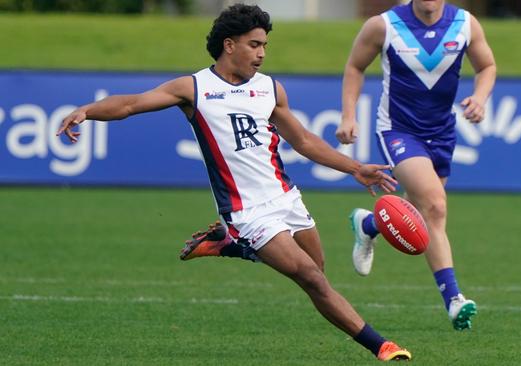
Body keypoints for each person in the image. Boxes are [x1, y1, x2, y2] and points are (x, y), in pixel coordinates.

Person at [57, 4, 412, 361]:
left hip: (285, 197)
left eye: (264, 46)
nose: (261, 54)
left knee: (317, 269)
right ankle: (382, 346)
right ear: (229, 45)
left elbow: (303, 141)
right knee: (312, 280)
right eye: (254, 44)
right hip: (246, 211)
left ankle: (230, 246)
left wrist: (354, 168)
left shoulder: (270, 89)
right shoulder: (194, 88)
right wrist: (87, 110)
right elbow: (132, 104)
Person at [335, 0, 497, 331]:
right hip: (398, 130)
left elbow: (487, 66)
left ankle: (369, 226)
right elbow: (354, 67)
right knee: (435, 206)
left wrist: (480, 97)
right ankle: (454, 300)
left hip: (441, 132)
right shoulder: (383, 25)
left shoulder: (466, 24)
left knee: (422, 211)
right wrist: (349, 115)